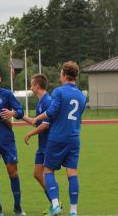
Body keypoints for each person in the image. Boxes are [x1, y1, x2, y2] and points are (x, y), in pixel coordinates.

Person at [31, 61, 87, 216]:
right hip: (74, 138)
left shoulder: (59, 91)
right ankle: (73, 211)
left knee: (48, 170)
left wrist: (37, 119)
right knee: (72, 172)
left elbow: (52, 111)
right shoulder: (82, 96)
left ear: (64, 74)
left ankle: (55, 205)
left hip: (57, 138)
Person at [0, 66, 31, 216]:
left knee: (13, 173)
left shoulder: (7, 94)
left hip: (7, 141)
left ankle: (17, 207)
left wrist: (13, 112)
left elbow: (21, 111)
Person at [24, 74, 54, 213]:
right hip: (42, 146)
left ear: (37, 86)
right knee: (37, 174)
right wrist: (15, 114)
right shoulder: (41, 102)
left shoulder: (47, 101)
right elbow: (35, 121)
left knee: (47, 174)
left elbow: (46, 125)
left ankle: (55, 204)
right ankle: (55, 203)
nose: (30, 87)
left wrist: (30, 134)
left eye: (31, 84)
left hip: (48, 145)